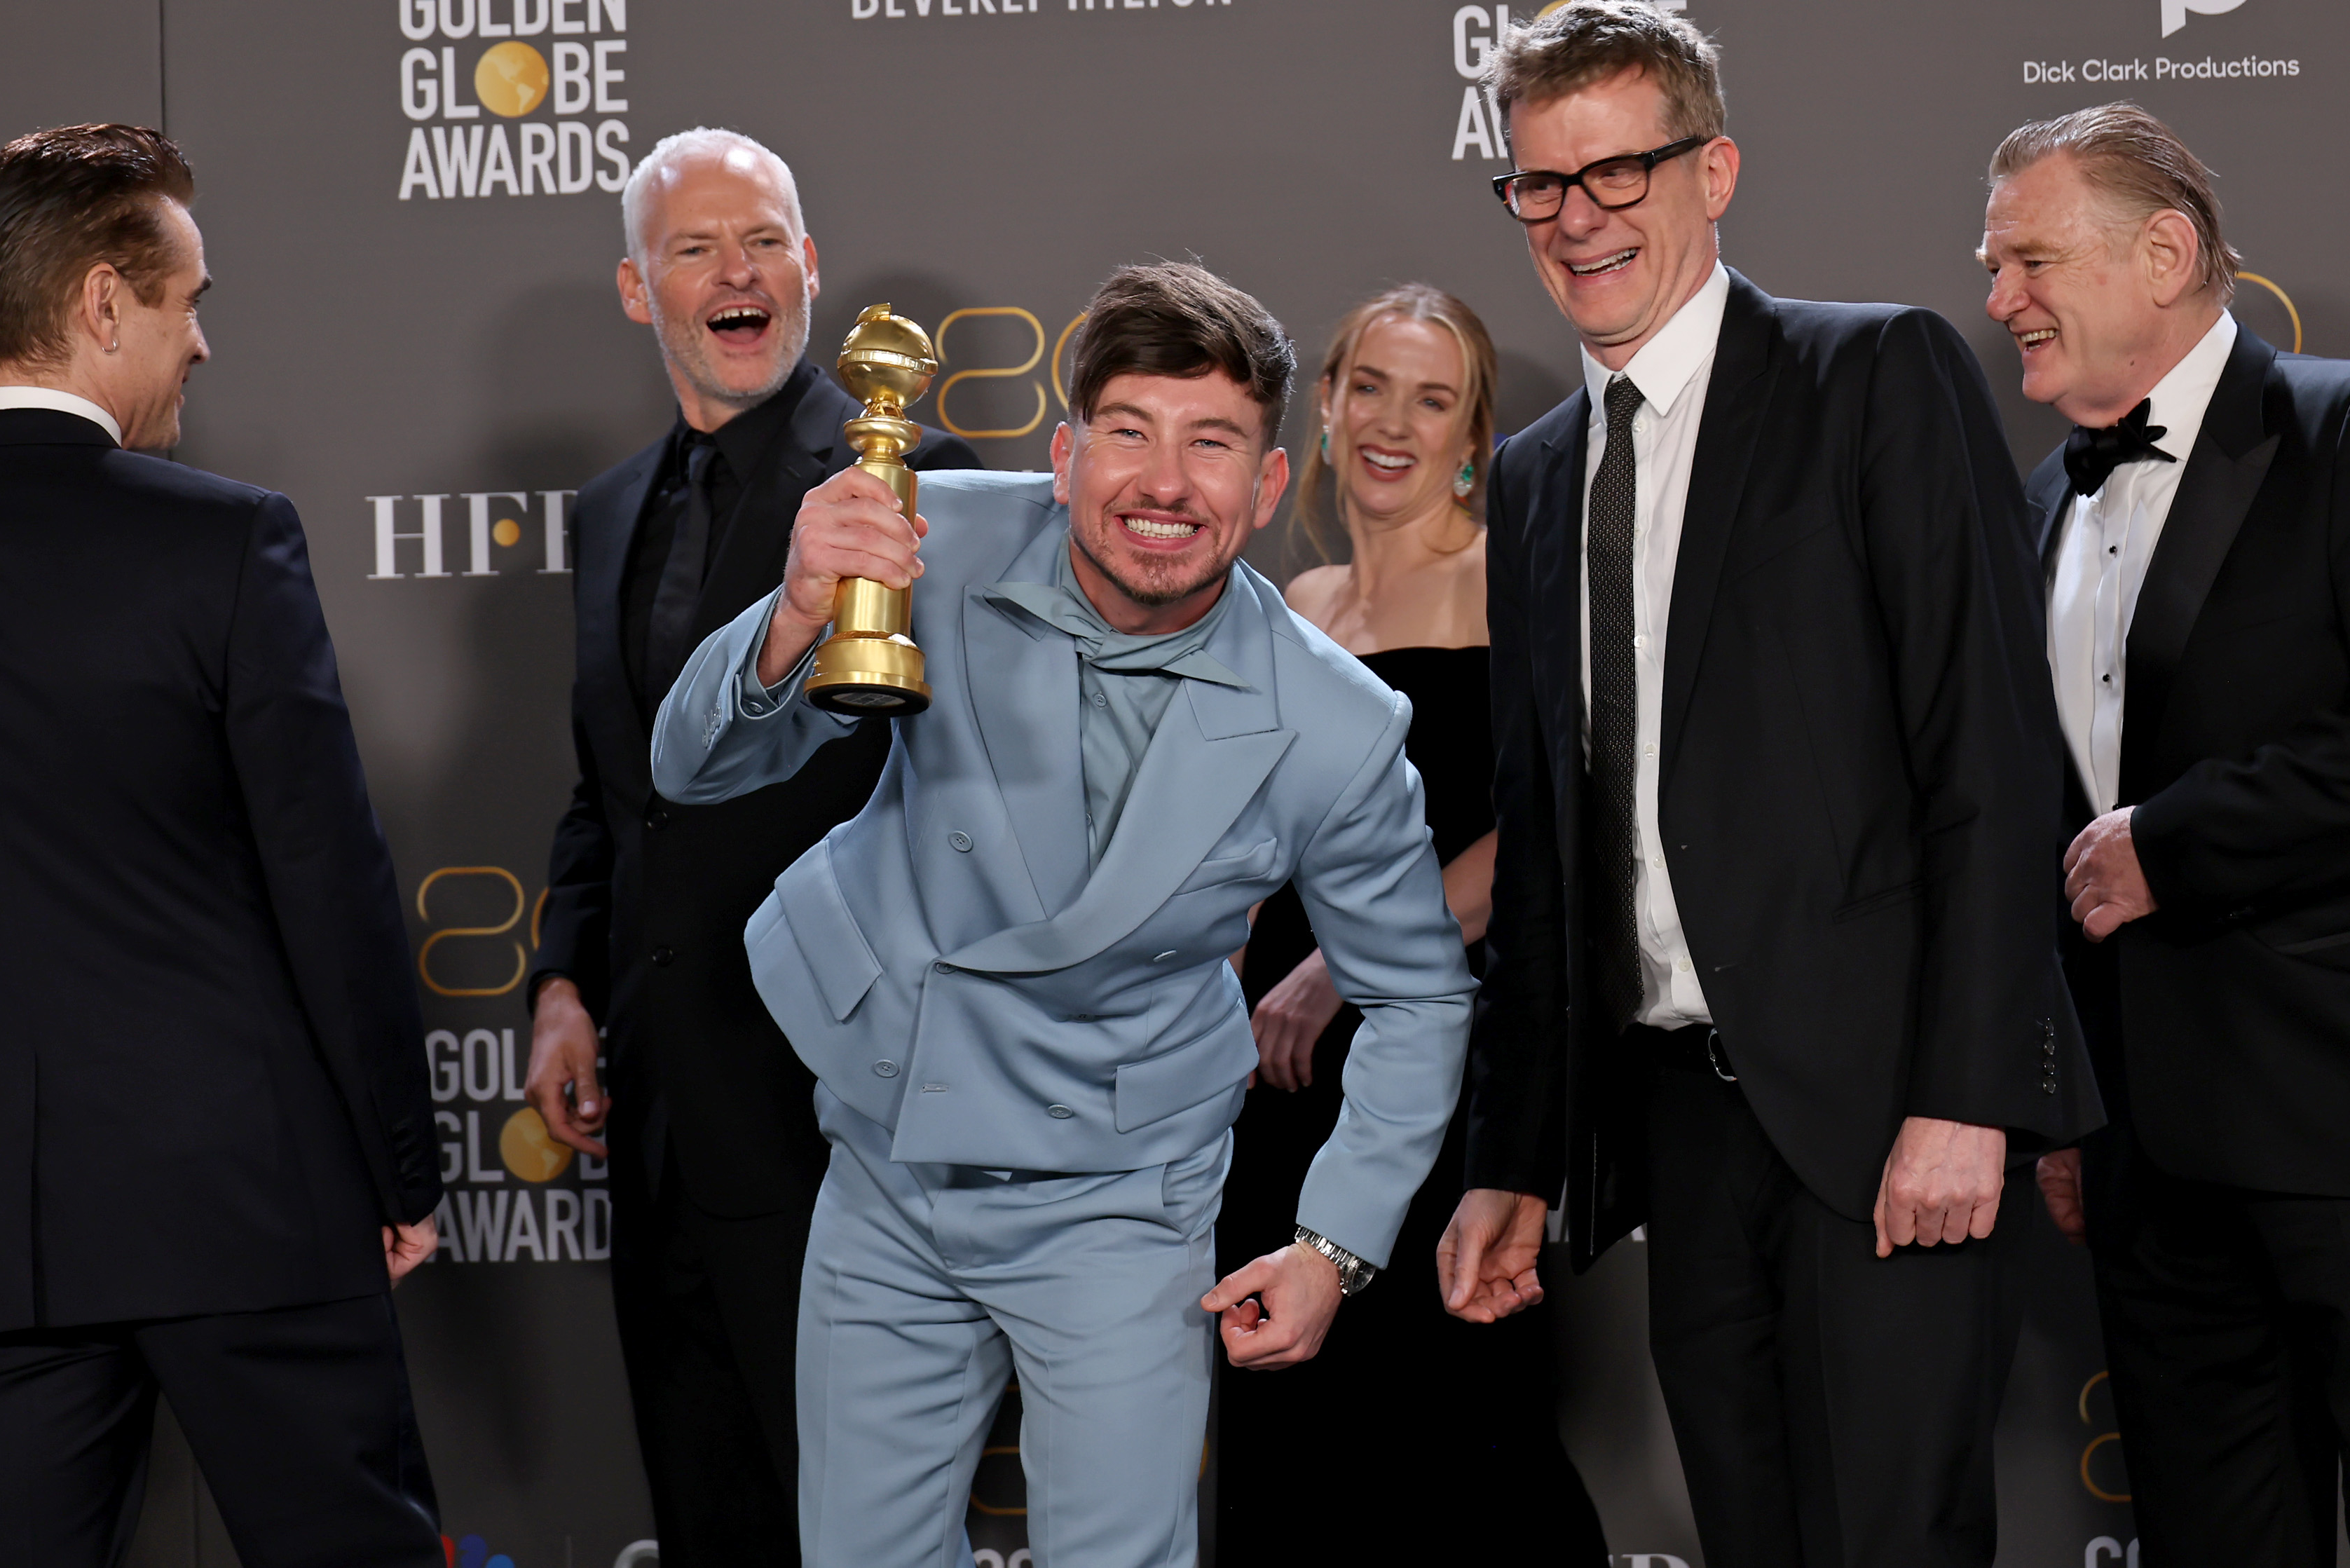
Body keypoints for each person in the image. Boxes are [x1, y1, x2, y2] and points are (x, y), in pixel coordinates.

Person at [650, 261, 1474, 1567]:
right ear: (1062, 452)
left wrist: (1334, 1242)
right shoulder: (931, 533)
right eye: (1129, 433)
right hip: (886, 1155)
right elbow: (692, 770)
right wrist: (796, 610)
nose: (1164, 483)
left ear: (1266, 486)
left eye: (1212, 444)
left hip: (1118, 1197)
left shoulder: (1335, 723)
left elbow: (1420, 996)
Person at [1434, 8, 2101, 1565]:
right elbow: (1550, 852)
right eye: (1540, 184)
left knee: (1894, 1540)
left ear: (1714, 169)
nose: (1578, 217)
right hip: (1676, 1118)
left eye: (1618, 171)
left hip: (1889, 1109)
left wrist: (1963, 1095)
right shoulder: (1535, 474)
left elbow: (1990, 761)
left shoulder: (1873, 374)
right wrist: (1515, 1162)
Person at [521, 126, 977, 1568]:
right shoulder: (605, 516)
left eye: (764, 238)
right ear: (634, 289)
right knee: (702, 1502)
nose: (737, 271)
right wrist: (560, 984)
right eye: (696, 247)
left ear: (810, 266)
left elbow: (976, 793)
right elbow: (611, 789)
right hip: (653, 1108)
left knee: (859, 1526)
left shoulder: (914, 480)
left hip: (835, 1110)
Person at [0, 124, 444, 1567]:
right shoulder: (225, 542)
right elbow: (329, 880)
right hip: (246, 1200)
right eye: (190, 303)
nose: (203, 346)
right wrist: (399, 1167)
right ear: (102, 306)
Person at [1983, 104, 2350, 1566]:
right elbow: (2036, 834)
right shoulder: (2032, 508)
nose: (1999, 298)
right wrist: (2065, 1099)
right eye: (1991, 264)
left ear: (2166, 251)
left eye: (2028, 259)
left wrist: (2176, 840)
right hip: (2141, 1163)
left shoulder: (2334, 431)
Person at [1215, 283, 1607, 1560]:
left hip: (1448, 1062)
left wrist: (1346, 965)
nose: (1394, 422)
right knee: (1295, 1429)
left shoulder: (1513, 585)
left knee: (1458, 1429)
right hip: (1277, 1079)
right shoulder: (1286, 607)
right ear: (1323, 409)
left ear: (1474, 437)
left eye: (1432, 398)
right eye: (1368, 387)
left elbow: (1554, 822)